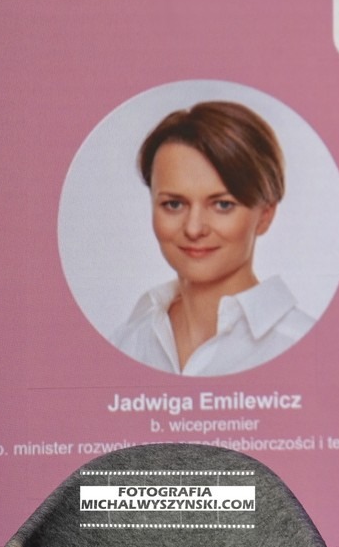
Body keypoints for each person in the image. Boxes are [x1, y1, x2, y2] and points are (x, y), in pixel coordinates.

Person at [109, 101, 314, 376]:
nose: (194, 229)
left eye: (222, 205)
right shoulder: (126, 343)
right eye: (173, 204)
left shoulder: (307, 349)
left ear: (265, 215)